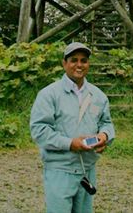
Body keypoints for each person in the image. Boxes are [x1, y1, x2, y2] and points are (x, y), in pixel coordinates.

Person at [30, 41, 115, 213]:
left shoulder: (98, 95)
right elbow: (39, 130)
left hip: (87, 170)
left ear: (88, 64)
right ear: (64, 63)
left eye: (84, 60)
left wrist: (104, 136)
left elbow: (106, 123)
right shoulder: (49, 94)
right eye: (73, 60)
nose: (79, 65)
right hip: (59, 170)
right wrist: (70, 143)